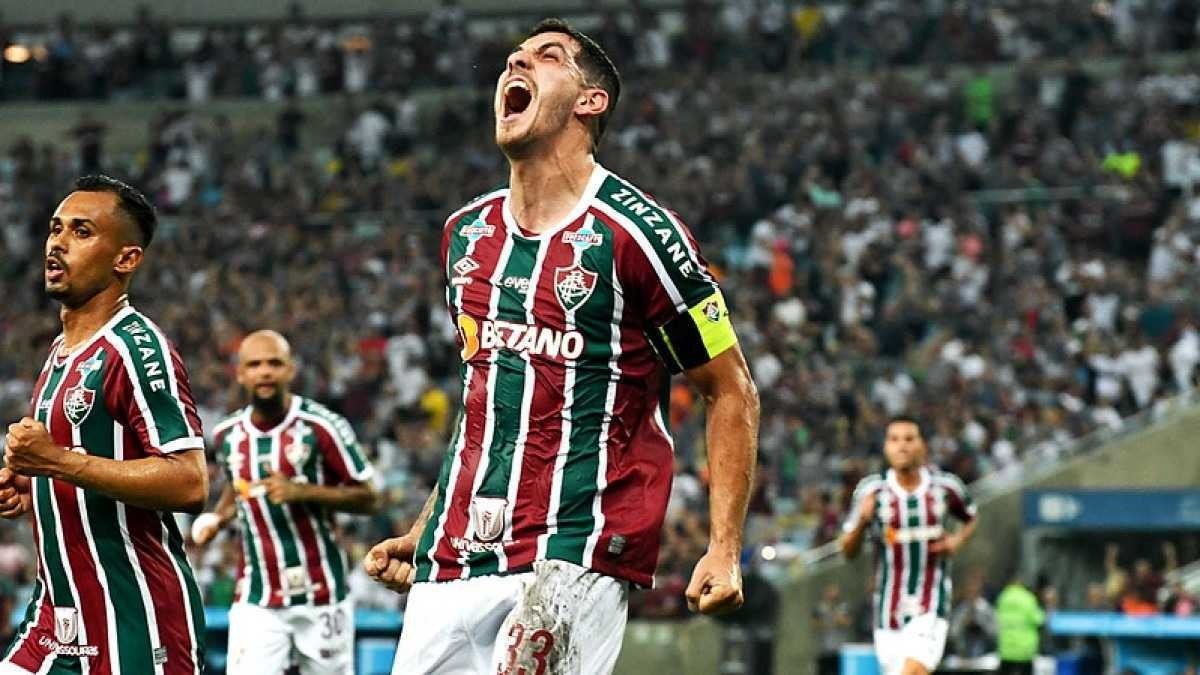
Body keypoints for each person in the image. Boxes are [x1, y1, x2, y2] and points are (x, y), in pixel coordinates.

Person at [362, 17, 759, 674]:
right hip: (454, 551)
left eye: (546, 57)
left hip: (574, 547)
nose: (516, 64)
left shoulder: (642, 235)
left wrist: (724, 546)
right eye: (513, 57)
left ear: (590, 101)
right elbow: (487, 399)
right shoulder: (466, 235)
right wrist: (427, 523)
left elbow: (731, 389)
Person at [0, 175, 208, 674]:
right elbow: (85, 459)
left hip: (134, 620)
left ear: (126, 258)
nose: (57, 243)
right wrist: (35, 486)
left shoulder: (136, 347)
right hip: (57, 618)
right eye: (56, 228)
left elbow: (189, 481)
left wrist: (56, 462)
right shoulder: (61, 351)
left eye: (82, 231)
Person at [192, 330, 381, 674]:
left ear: (290, 370)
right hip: (258, 595)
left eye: (274, 363)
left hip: (321, 593)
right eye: (255, 365)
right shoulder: (227, 434)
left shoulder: (322, 426)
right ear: (240, 373)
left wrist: (302, 491)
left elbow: (370, 497)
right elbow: (239, 486)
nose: (265, 372)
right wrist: (218, 519)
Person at [840, 417, 978, 675]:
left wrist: (957, 540)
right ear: (885, 447)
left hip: (930, 602)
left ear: (922, 445)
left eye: (909, 439)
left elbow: (971, 516)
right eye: (894, 439)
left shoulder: (945, 487)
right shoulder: (872, 490)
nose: (901, 446)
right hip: (888, 609)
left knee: (912, 671)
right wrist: (862, 522)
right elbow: (847, 550)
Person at [995, 576, 1045, 675]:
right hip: (1024, 649)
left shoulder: (1003, 597)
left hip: (1006, 649)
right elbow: (1038, 619)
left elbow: (996, 618)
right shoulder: (1027, 598)